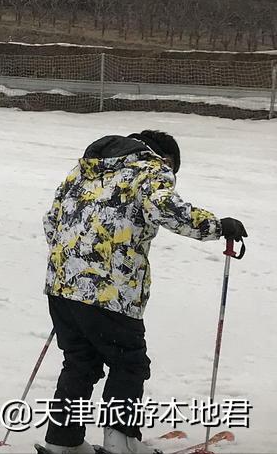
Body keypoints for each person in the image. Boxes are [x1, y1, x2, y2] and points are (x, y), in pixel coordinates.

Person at [40, 131, 248, 454]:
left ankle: (62, 442)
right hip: (110, 291)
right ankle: (119, 441)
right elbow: (167, 209)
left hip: (61, 286)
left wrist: (76, 264)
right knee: (129, 362)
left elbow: (52, 220)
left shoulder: (86, 168)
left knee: (80, 361)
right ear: (165, 157)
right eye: (173, 169)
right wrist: (219, 226)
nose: (171, 176)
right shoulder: (150, 168)